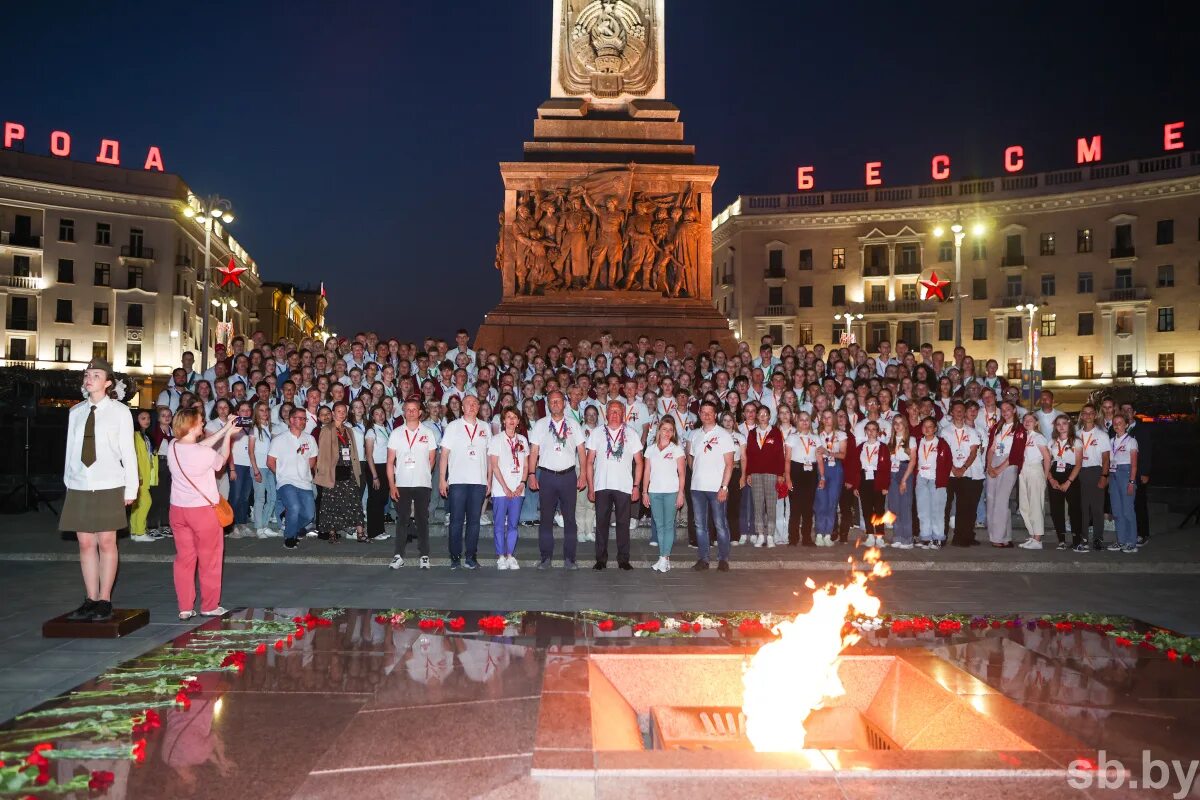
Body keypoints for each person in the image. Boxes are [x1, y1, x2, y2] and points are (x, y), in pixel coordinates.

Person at [58, 358, 138, 622]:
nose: (89, 378)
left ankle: (105, 599)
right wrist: (69, 480)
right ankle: (90, 598)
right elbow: (71, 449)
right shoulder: (76, 412)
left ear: (107, 383)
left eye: (95, 374)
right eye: (87, 374)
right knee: (84, 543)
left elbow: (128, 451)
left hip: (109, 483)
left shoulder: (120, 412)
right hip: (81, 483)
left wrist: (131, 487)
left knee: (106, 542)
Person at [166, 406, 238, 619]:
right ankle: (209, 605)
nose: (203, 424)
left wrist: (225, 429)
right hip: (202, 512)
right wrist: (229, 438)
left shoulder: (173, 446)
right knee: (210, 558)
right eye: (200, 421)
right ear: (192, 425)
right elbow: (220, 461)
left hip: (178, 510)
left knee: (184, 559)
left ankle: (185, 607)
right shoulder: (204, 453)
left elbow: (199, 446)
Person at [527, 390, 586, 569]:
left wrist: (583, 474)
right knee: (545, 519)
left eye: (558, 401)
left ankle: (570, 558)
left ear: (565, 403)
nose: (555, 404)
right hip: (546, 477)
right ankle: (546, 557)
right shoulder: (540, 424)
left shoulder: (574, 425)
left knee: (569, 519)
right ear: (547, 404)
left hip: (568, 476)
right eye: (552, 401)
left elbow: (582, 451)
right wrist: (531, 474)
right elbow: (534, 451)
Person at [585, 400, 644, 570]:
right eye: (612, 411)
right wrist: (590, 486)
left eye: (618, 411)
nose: (615, 414)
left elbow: (639, 462)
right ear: (606, 413)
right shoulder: (596, 433)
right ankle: (601, 559)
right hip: (601, 485)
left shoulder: (631, 434)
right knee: (601, 523)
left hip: (624, 486)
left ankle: (623, 559)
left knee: (623, 524)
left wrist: (636, 486)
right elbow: (589, 462)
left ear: (623, 414)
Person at [439, 395, 490, 569]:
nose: (472, 406)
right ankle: (454, 557)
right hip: (458, 481)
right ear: (462, 407)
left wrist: (489, 480)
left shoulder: (485, 427)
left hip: (479, 481)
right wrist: (442, 480)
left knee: (474, 521)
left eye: (475, 403)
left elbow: (490, 456)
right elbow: (444, 455)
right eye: (468, 403)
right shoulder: (453, 427)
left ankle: (471, 557)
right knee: (456, 521)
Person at [387, 397, 437, 569]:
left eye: (414, 409)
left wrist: (421, 472)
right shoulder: (396, 433)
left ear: (420, 412)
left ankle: (424, 555)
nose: (411, 412)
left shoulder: (428, 433)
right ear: (403, 412)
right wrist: (392, 485)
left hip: (422, 483)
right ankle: (398, 555)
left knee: (422, 519)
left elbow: (432, 459)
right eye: (407, 409)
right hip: (402, 483)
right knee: (402, 520)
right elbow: (389, 461)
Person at [687, 400, 736, 571]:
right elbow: (691, 459)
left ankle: (723, 558)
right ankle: (703, 559)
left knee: (720, 524)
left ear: (715, 414)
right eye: (703, 412)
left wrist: (724, 487)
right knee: (700, 525)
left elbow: (729, 464)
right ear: (699, 414)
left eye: (710, 412)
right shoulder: (694, 435)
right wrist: (699, 475)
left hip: (717, 488)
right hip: (697, 487)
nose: (706, 415)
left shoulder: (724, 435)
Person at [267, 407, 319, 550]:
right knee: (294, 507)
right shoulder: (279, 439)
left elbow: (312, 460)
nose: (303, 421)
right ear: (291, 420)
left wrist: (304, 472)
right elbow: (270, 461)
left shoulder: (310, 439)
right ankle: (290, 537)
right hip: (286, 481)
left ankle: (293, 525)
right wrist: (281, 474)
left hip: (304, 482)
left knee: (309, 515)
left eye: (304, 419)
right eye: (300, 418)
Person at [314, 401, 365, 543]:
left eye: (344, 411)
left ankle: (361, 533)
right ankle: (332, 534)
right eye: (339, 411)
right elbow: (323, 454)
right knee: (332, 502)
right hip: (333, 471)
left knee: (354, 501)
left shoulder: (348, 430)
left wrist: (357, 470)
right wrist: (323, 474)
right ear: (333, 413)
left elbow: (353, 451)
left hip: (348, 468)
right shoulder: (327, 429)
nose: (341, 414)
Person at [642, 415, 686, 572]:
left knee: (668, 525)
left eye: (670, 430)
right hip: (654, 492)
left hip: (671, 492)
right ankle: (664, 559)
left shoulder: (677, 449)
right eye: (664, 429)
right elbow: (647, 471)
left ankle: (664, 557)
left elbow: (682, 473)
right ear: (659, 430)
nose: (667, 433)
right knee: (659, 526)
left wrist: (681, 493)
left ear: (673, 432)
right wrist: (644, 492)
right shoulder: (651, 449)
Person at [488, 408, 528, 569]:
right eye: (508, 417)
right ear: (503, 421)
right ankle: (500, 556)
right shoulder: (496, 439)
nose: (511, 420)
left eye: (515, 417)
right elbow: (494, 466)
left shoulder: (523, 440)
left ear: (518, 421)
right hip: (500, 489)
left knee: (513, 524)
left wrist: (522, 483)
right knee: (499, 524)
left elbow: (525, 465)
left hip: (518, 488)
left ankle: (510, 554)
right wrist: (505, 488)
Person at [942, 401, 984, 548]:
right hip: (949, 473)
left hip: (966, 473)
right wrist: (953, 468)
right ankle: (942, 536)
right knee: (945, 506)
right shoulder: (945, 431)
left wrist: (963, 468)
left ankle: (960, 538)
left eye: (961, 410)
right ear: (951, 413)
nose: (959, 412)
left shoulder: (971, 431)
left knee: (963, 506)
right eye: (956, 410)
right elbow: (944, 453)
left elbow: (974, 452)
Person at [742, 404, 784, 548]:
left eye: (766, 414)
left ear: (769, 416)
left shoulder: (776, 432)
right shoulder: (752, 433)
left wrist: (780, 474)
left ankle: (770, 535)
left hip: (771, 473)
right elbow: (749, 455)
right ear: (757, 416)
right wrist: (748, 473)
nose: (763, 416)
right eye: (760, 414)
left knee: (771, 506)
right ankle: (760, 535)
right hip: (755, 474)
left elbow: (780, 454)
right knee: (758, 505)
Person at [984, 401, 1025, 547]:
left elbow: (1016, 453)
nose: (1005, 412)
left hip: (1008, 463)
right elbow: (990, 448)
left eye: (1008, 409)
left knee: (1002, 500)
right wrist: (989, 466)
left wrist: (999, 469)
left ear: (1014, 410)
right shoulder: (997, 427)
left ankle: (997, 538)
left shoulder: (1019, 429)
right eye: (1003, 410)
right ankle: (1004, 536)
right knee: (991, 499)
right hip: (994, 461)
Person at [845, 420, 890, 547]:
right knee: (866, 509)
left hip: (878, 478)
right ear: (865, 431)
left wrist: (885, 485)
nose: (871, 432)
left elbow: (887, 468)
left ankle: (880, 536)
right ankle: (870, 535)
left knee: (879, 509)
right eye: (868, 429)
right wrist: (855, 485)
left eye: (874, 429)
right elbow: (855, 467)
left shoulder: (883, 447)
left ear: (878, 432)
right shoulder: (861, 447)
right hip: (864, 479)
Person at [784, 411, 824, 547]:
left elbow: (819, 459)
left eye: (807, 420)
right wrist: (788, 478)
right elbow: (787, 460)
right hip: (796, 471)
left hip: (810, 473)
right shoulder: (792, 438)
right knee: (795, 508)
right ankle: (793, 538)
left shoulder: (816, 438)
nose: (804, 422)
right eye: (801, 420)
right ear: (797, 421)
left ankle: (807, 538)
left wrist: (822, 476)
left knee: (808, 508)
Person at [1075, 404, 1111, 552]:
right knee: (1083, 508)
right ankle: (1083, 538)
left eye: (1091, 413)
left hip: (1096, 471)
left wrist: (1104, 475)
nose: (1088, 416)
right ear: (1082, 416)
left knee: (1097, 508)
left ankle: (1097, 538)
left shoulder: (1102, 435)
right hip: (1080, 472)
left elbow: (1106, 458)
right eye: (1085, 413)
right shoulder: (1076, 434)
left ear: (1095, 415)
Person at [914, 416, 952, 549]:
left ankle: (937, 538)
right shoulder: (918, 442)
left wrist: (942, 478)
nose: (927, 429)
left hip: (936, 478)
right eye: (925, 426)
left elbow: (948, 462)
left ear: (935, 429)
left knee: (937, 509)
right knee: (923, 509)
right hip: (921, 477)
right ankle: (925, 537)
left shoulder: (941, 443)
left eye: (930, 426)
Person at [1047, 414, 1083, 551]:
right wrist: (1051, 479)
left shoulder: (1076, 441)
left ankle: (1076, 540)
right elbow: (1046, 462)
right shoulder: (1051, 442)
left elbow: (1078, 464)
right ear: (1055, 427)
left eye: (1064, 423)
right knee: (1056, 509)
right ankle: (1061, 540)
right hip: (1055, 473)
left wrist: (1068, 482)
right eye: (1058, 424)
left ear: (1069, 425)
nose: (1061, 426)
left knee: (1074, 509)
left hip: (1071, 474)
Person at [1016, 412, 1052, 549]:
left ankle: (1037, 539)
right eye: (1025, 420)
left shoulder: (1039, 437)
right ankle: (1032, 535)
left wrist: (1045, 476)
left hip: (1035, 470)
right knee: (1025, 505)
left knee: (1036, 504)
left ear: (1036, 422)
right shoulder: (1023, 436)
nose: (1027, 422)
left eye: (1030, 420)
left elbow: (1047, 458)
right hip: (1023, 470)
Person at [245, 401, 280, 539]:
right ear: (256, 412)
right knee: (260, 498)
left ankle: (265, 525)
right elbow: (251, 451)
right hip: (259, 467)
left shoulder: (270, 428)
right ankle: (259, 527)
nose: (264, 412)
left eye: (266, 410)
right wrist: (255, 470)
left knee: (273, 497)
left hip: (270, 467)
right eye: (261, 410)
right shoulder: (254, 429)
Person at [813, 410, 848, 547]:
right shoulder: (817, 435)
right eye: (824, 417)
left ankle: (828, 534)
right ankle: (819, 533)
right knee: (821, 502)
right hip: (821, 467)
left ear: (833, 419)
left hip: (836, 469)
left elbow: (843, 455)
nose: (827, 420)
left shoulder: (841, 435)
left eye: (829, 417)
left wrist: (828, 452)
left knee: (832, 502)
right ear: (821, 419)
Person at [1107, 412, 1140, 554]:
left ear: (1126, 425)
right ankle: (1121, 540)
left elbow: (1134, 464)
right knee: (1117, 511)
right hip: (1113, 474)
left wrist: (1132, 481)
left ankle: (1131, 542)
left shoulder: (1131, 441)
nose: (1117, 426)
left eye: (1120, 423)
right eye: (1115, 423)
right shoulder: (1111, 441)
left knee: (1128, 510)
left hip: (1125, 474)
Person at [1120, 402, 1152, 546]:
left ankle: (1143, 533)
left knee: (1139, 504)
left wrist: (1145, 472)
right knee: (1127, 505)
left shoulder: (1142, 429)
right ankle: (1130, 533)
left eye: (1129, 410)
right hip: (1122, 473)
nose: (1126, 412)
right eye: (1123, 410)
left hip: (1138, 472)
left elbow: (1147, 452)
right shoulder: (1118, 429)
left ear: (1134, 412)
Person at [363, 405, 393, 542]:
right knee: (374, 499)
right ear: (372, 416)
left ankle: (380, 530)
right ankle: (373, 531)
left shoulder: (386, 429)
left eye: (382, 413)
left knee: (382, 499)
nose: (380, 415)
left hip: (385, 466)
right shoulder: (371, 432)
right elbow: (369, 455)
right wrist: (374, 475)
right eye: (377, 413)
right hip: (375, 467)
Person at [885, 416, 916, 549]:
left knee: (905, 505)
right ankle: (897, 536)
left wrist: (904, 480)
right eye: (895, 423)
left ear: (905, 425)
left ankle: (907, 538)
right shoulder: (890, 440)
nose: (898, 426)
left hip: (905, 470)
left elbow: (913, 461)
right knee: (894, 505)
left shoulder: (911, 440)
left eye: (901, 423)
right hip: (892, 471)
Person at [129, 409, 158, 542]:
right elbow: (133, 456)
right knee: (146, 501)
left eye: (148, 418)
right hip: (139, 474)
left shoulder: (145, 436)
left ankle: (135, 531)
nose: (147, 421)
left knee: (138, 504)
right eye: (143, 418)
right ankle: (140, 532)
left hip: (146, 473)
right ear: (136, 420)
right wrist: (137, 474)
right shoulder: (134, 436)